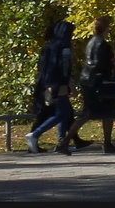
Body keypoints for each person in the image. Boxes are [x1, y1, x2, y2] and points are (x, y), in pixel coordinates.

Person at [66, 16, 115, 153]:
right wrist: (113, 64)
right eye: (108, 27)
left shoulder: (91, 42)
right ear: (105, 28)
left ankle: (65, 142)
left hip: (88, 80)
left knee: (96, 113)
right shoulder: (103, 44)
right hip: (98, 82)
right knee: (100, 113)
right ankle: (64, 142)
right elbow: (101, 63)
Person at [25, 20, 77, 155]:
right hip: (58, 83)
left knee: (64, 113)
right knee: (61, 113)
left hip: (46, 82)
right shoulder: (64, 47)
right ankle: (35, 134)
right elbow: (65, 67)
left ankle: (62, 142)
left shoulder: (49, 47)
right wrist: (67, 84)